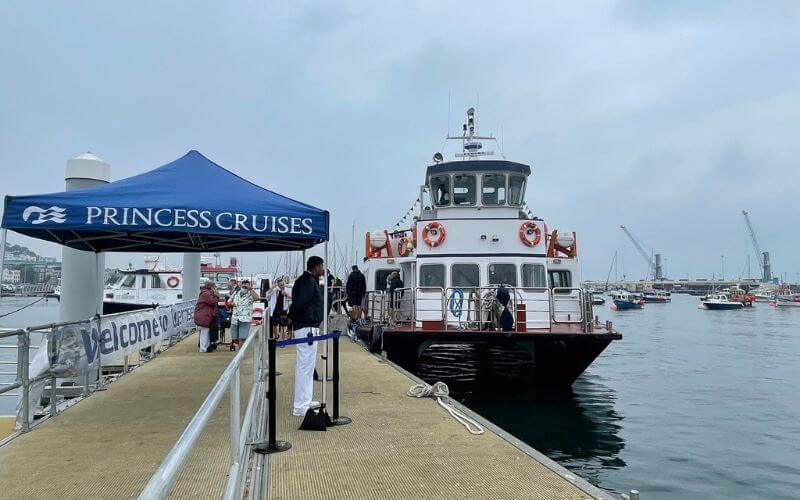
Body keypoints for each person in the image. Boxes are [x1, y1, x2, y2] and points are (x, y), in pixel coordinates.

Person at [288, 256, 325, 416]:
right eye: (322, 266)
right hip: (307, 327)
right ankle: (300, 406)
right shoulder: (308, 281)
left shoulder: (307, 280)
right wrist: (291, 316)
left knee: (308, 367)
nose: (323, 269)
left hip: (308, 326)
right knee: (304, 366)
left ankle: (306, 399)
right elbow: (302, 302)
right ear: (316, 267)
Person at [230, 279, 259, 351]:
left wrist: (250, 289)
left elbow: (256, 298)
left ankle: (240, 353)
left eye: (246, 287)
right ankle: (240, 347)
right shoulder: (236, 292)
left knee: (242, 338)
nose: (244, 288)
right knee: (235, 339)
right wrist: (232, 304)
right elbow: (229, 301)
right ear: (241, 286)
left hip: (245, 319)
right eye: (243, 287)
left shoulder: (250, 294)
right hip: (235, 319)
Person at [194, 281, 219, 353]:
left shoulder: (204, 292)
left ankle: (205, 347)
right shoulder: (206, 293)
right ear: (211, 287)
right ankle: (203, 348)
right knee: (204, 332)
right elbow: (213, 301)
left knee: (205, 332)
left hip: (203, 315)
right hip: (204, 316)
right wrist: (216, 295)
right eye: (214, 287)